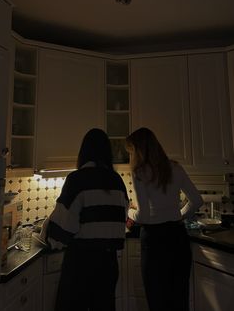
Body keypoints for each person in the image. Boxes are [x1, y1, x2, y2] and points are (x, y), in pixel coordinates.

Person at [41, 128, 129, 311]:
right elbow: (121, 222)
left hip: (81, 265)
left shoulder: (77, 180)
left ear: (84, 152)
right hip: (109, 265)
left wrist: (47, 233)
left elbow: (63, 229)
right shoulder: (117, 181)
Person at [125, 127, 203, 311]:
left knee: (158, 301)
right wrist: (178, 216)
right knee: (179, 300)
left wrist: (128, 212)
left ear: (139, 150)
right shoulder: (175, 167)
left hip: (155, 242)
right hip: (177, 237)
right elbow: (197, 200)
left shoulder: (139, 172)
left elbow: (143, 215)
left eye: (132, 152)